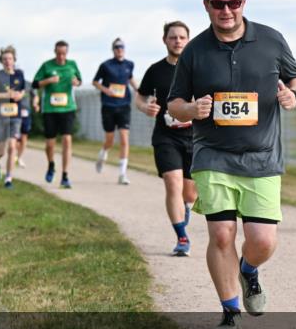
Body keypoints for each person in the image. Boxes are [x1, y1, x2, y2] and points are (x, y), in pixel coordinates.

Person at [168, 0, 296, 329]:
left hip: (261, 156)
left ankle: (248, 271)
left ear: (244, 2)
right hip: (213, 155)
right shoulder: (195, 51)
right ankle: (230, 312)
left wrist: (294, 95)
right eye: (218, 4)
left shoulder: (271, 40)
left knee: (262, 241)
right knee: (222, 235)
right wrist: (190, 110)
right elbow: (175, 103)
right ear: (206, 5)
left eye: (233, 3)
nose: (226, 10)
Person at [135, 21, 199, 256]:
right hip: (165, 136)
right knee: (173, 183)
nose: (178, 41)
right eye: (173, 37)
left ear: (188, 40)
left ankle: (184, 212)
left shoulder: (197, 68)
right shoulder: (155, 70)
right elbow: (139, 97)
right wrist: (145, 108)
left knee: (190, 193)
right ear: (165, 40)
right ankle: (182, 237)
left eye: (182, 37)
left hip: (194, 137)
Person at [33, 40, 82, 188]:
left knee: (67, 139)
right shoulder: (47, 65)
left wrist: (76, 82)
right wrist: (48, 80)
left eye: (64, 53)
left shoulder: (72, 64)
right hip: (50, 109)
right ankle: (51, 164)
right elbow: (35, 84)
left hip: (68, 107)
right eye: (59, 53)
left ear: (67, 53)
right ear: (55, 52)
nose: (61, 57)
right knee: (50, 144)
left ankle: (65, 175)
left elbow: (79, 80)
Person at [92, 37, 138, 185]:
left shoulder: (129, 64)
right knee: (110, 140)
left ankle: (122, 174)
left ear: (124, 49)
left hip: (124, 105)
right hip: (109, 106)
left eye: (122, 47)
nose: (120, 49)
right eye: (117, 47)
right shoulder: (105, 65)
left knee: (124, 138)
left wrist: (139, 89)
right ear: (113, 49)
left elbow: (130, 78)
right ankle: (102, 154)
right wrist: (106, 90)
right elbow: (95, 82)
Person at [0, 46, 27, 188]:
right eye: (4, 59)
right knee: (1, 150)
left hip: (15, 115)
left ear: (14, 60)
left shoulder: (20, 74)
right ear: (1, 61)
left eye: (10, 59)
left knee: (12, 146)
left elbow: (22, 90)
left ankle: (8, 179)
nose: (7, 61)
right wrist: (4, 95)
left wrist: (20, 95)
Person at [16, 85, 38, 168]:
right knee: (14, 137)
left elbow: (35, 96)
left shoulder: (29, 84)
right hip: (13, 111)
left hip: (26, 112)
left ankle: (19, 157)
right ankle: (15, 156)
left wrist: (35, 103)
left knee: (24, 136)